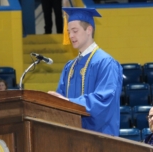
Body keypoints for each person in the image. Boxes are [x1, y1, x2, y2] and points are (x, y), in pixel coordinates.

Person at [48, 7, 123, 136]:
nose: (71, 36)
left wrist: (69, 103)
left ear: (89, 30)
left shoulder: (105, 63)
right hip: (73, 138)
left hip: (101, 139)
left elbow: (104, 100)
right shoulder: (69, 67)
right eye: (68, 31)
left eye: (75, 31)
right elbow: (61, 99)